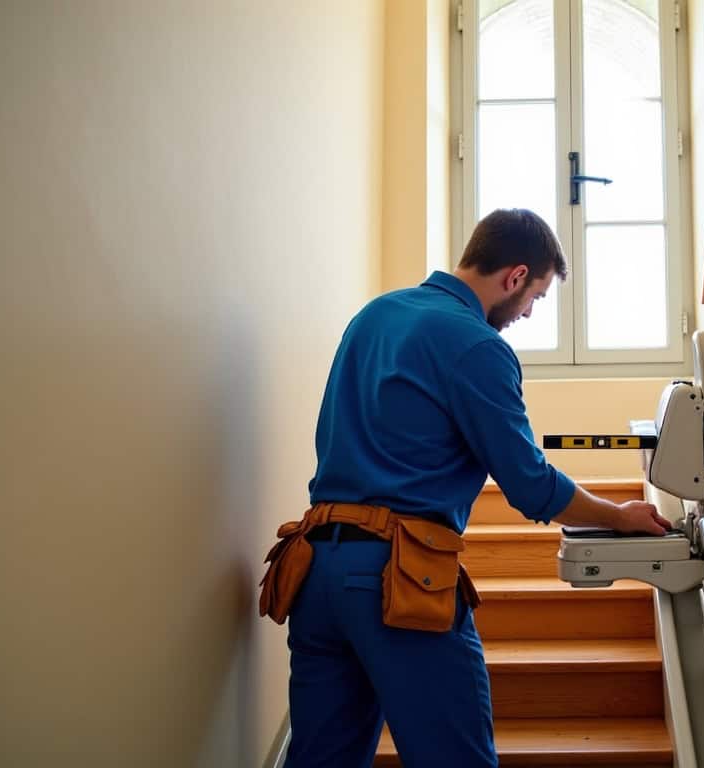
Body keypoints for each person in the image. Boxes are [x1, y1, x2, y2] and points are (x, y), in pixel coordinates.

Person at [284, 208, 672, 767]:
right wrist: (618, 515)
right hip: (398, 579)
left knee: (321, 758)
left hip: (315, 568)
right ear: (515, 276)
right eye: (534, 296)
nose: (527, 312)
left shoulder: (373, 316)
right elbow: (529, 484)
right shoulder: (477, 346)